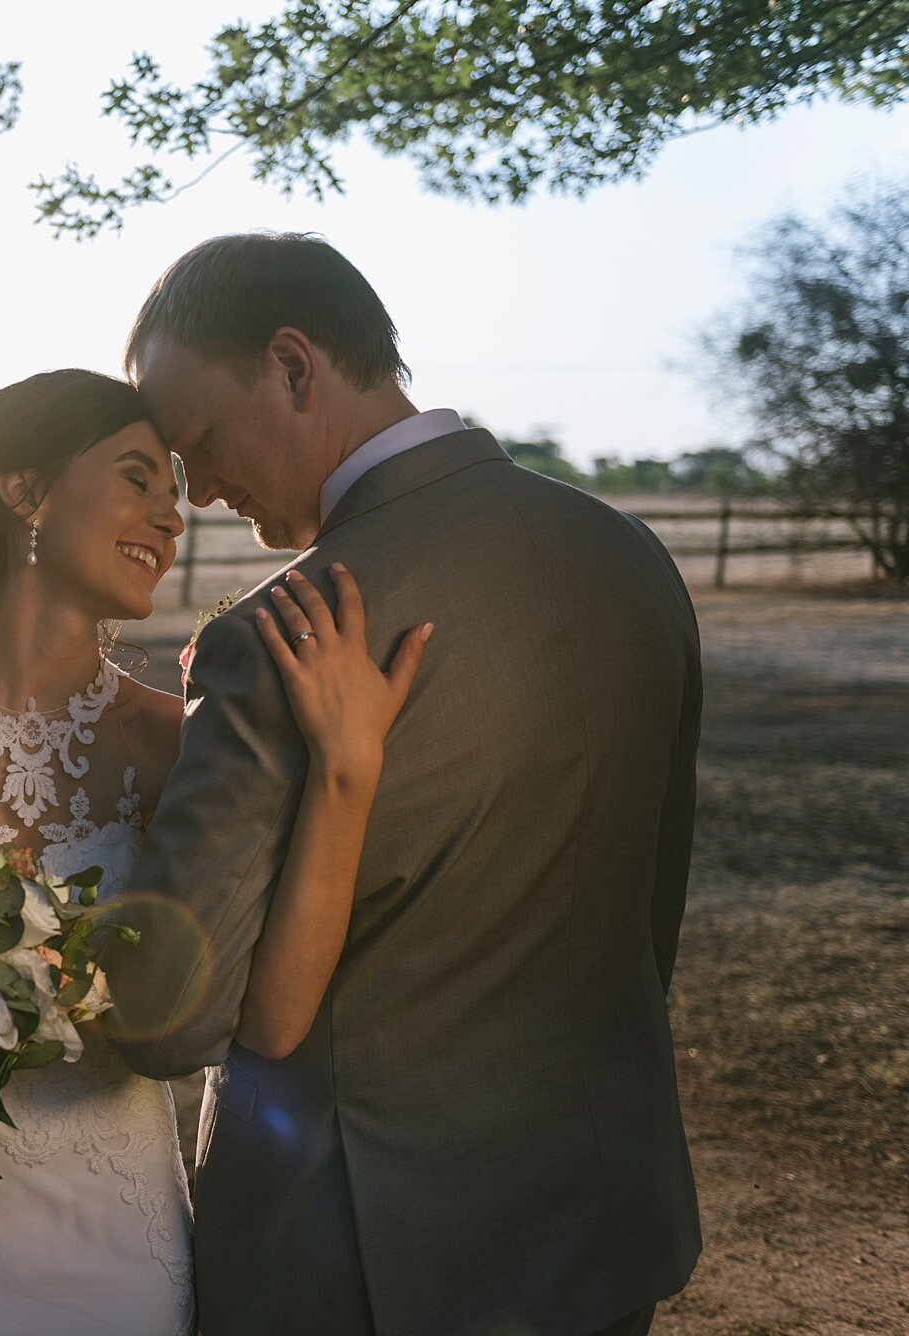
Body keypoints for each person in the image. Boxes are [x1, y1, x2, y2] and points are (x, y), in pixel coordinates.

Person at [100, 231, 703, 1336]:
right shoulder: (629, 556)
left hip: (354, 1258)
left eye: (194, 440)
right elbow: (646, 902)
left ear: (292, 366)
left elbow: (159, 1016)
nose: (195, 488)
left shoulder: (286, 632)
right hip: (603, 1216)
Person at [0, 367, 428, 1335]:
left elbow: (271, 1007)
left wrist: (343, 771)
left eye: (175, 491)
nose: (171, 515)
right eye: (137, 478)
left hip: (108, 1242)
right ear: (25, 491)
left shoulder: (174, 743)